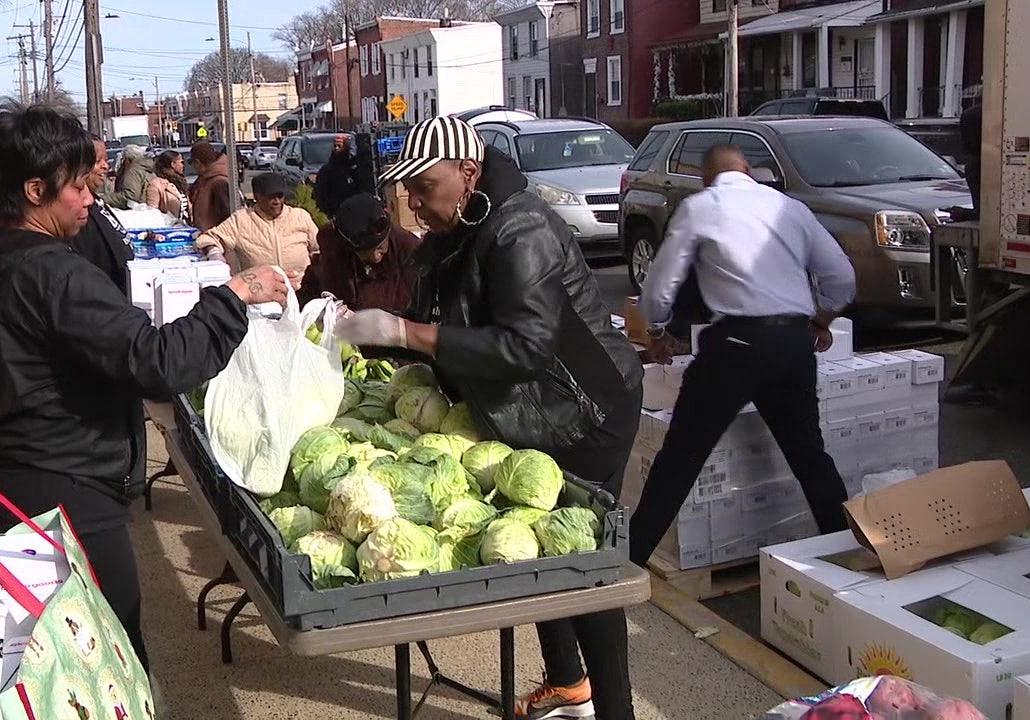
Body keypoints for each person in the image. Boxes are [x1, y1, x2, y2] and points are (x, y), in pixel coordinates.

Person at [0, 102, 293, 673]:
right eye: (77, 187)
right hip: (70, 499)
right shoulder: (53, 271)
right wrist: (234, 297)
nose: (88, 199)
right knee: (108, 668)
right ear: (35, 190)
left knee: (45, 668)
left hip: (5, 488)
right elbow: (157, 362)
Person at [335, 116, 643, 720]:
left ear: (468, 173)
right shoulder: (459, 228)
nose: (415, 204)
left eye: (423, 187)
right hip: (526, 414)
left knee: (582, 562)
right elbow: (441, 322)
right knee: (539, 548)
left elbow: (525, 346)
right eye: (409, 192)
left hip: (583, 412)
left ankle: (617, 712)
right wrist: (364, 331)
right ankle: (568, 684)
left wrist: (408, 332)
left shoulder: (519, 227)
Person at [628, 144, 858, 569]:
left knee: (680, 458)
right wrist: (821, 320)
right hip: (792, 344)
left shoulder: (701, 207)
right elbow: (842, 277)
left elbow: (660, 285)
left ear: (705, 177)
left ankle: (630, 559)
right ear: (748, 170)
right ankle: (849, 553)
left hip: (734, 346)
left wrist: (658, 330)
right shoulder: (790, 208)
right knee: (809, 454)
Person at [194, 172, 319, 285]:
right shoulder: (242, 220)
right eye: (271, 197)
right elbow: (208, 238)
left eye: (280, 196)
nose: (276, 201)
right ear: (257, 197)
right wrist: (215, 254)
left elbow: (319, 248)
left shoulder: (300, 216)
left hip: (300, 290)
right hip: (260, 294)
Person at [312, 192, 418, 314]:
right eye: (365, 252)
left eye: (380, 247)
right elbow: (317, 284)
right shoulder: (333, 248)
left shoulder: (411, 252)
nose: (375, 256)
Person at [71, 133, 133, 291]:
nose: (106, 166)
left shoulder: (95, 199)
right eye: (98, 161)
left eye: (106, 160)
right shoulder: (77, 211)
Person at [313, 133, 364, 218]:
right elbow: (321, 195)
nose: (336, 148)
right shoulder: (327, 170)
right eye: (335, 146)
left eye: (339, 146)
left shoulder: (355, 169)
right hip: (337, 213)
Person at [188, 140, 232, 231]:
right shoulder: (206, 179)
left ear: (198, 163)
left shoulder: (219, 183)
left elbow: (228, 217)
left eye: (193, 164)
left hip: (216, 240)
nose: (194, 168)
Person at [145, 149, 190, 224]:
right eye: (181, 162)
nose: (183, 165)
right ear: (173, 164)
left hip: (187, 228)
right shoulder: (156, 185)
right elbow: (152, 212)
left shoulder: (181, 182)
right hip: (170, 230)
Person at [114, 144, 153, 209]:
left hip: (137, 211)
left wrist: (105, 198)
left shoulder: (133, 171)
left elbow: (130, 196)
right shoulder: (146, 168)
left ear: (127, 160)